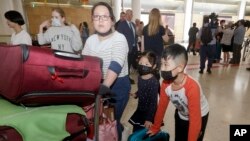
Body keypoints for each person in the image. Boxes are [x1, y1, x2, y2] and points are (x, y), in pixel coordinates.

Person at [81, 2, 130, 141]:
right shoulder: (90, 40)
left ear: (112, 20)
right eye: (96, 17)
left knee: (112, 121)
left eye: (105, 17)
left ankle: (118, 134)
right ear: (92, 20)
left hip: (117, 86)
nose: (100, 20)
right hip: (98, 84)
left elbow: (116, 64)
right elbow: (85, 63)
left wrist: (105, 86)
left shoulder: (119, 38)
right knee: (98, 120)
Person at [148, 44, 209, 141]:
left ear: (180, 68)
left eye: (166, 65)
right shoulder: (165, 84)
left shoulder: (192, 88)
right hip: (182, 113)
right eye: (161, 64)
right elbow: (161, 106)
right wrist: (156, 127)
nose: (162, 69)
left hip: (200, 115)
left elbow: (195, 121)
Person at [129, 51, 159, 133]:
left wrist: (149, 119)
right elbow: (142, 90)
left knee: (145, 134)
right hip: (140, 109)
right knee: (136, 132)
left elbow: (153, 102)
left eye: (146, 64)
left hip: (149, 112)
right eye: (141, 63)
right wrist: (136, 94)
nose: (142, 66)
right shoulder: (140, 77)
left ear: (153, 66)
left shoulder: (153, 82)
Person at [141, 8, 168, 77]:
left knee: (148, 73)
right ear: (159, 17)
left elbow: (142, 44)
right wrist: (166, 30)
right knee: (156, 73)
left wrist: (143, 54)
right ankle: (155, 86)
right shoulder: (161, 28)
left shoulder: (145, 28)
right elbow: (166, 40)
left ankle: (149, 85)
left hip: (148, 55)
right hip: (158, 55)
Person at [116, 9, 137, 84]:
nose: (129, 16)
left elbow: (135, 36)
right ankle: (126, 79)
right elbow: (118, 36)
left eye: (131, 14)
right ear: (125, 15)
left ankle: (128, 77)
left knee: (130, 63)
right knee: (126, 64)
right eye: (128, 14)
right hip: (126, 48)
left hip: (133, 48)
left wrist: (136, 45)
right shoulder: (122, 24)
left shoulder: (133, 25)